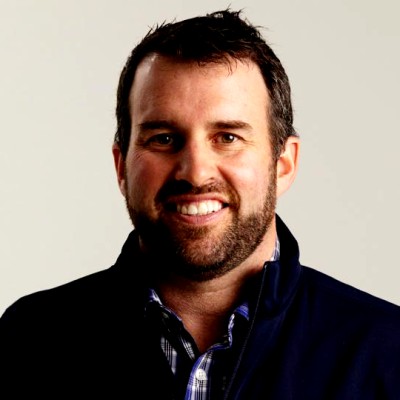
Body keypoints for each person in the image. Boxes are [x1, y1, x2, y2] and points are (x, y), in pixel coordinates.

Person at [1, 9, 400, 399]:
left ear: (284, 163)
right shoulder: (27, 341)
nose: (194, 172)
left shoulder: (386, 352)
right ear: (121, 165)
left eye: (227, 137)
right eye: (163, 138)